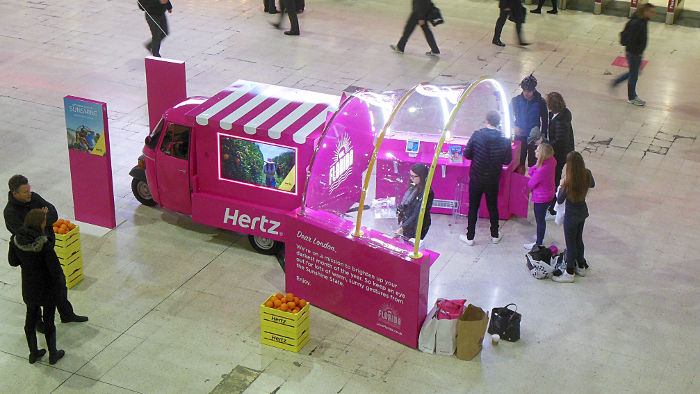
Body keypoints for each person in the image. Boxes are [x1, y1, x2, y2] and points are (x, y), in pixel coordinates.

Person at [4, 175, 88, 328]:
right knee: (36, 291)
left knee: (59, 282)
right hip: (31, 259)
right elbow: (24, 234)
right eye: (25, 192)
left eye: (29, 189)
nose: (29, 193)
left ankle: (66, 314)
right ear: (14, 193)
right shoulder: (10, 212)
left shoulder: (34, 198)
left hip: (47, 251)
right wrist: (42, 220)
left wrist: (39, 222)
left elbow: (53, 214)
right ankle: (38, 322)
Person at [8, 209, 67, 364]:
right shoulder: (45, 246)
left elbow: (13, 262)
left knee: (30, 319)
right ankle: (53, 354)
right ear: (40, 224)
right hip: (47, 289)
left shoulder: (15, 240)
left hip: (29, 287)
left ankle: (33, 353)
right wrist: (60, 289)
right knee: (48, 322)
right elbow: (55, 271)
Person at [459, 111, 512, 246]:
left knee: (473, 208)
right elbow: (507, 161)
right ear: (499, 122)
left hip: (476, 178)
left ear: (486, 120)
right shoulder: (505, 140)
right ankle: (495, 234)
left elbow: (467, 153)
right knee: (493, 207)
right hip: (493, 180)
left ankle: (470, 237)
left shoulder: (477, 135)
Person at [552, 151, 595, 283]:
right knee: (578, 240)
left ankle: (569, 272)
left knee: (570, 244)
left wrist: (561, 186)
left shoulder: (568, 182)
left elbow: (559, 200)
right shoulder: (587, 174)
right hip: (582, 212)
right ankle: (581, 265)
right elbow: (592, 184)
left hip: (570, 216)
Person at [611, 3, 656, 107]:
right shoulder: (637, 23)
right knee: (634, 75)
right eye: (652, 12)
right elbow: (632, 40)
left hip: (636, 53)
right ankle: (632, 97)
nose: (653, 14)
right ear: (645, 11)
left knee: (635, 72)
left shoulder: (642, 20)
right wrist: (637, 52)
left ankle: (616, 82)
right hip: (634, 53)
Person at [544, 92, 574, 217]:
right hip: (558, 153)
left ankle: (553, 207)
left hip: (560, 155)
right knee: (554, 177)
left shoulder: (561, 120)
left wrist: (545, 144)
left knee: (555, 178)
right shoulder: (557, 115)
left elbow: (559, 141)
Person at [511, 74, 548, 175]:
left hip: (534, 138)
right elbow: (508, 115)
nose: (526, 93)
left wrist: (543, 137)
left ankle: (532, 184)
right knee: (518, 163)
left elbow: (545, 120)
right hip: (520, 137)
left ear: (534, 90)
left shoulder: (541, 102)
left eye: (529, 91)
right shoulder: (515, 101)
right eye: (525, 91)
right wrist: (513, 127)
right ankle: (519, 183)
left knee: (533, 164)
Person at [524, 143, 556, 249]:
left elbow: (530, 184)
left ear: (542, 154)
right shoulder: (552, 161)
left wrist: (533, 171)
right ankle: (539, 236)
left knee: (540, 220)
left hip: (541, 198)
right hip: (550, 193)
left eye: (537, 150)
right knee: (541, 219)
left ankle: (538, 242)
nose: (535, 151)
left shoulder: (541, 170)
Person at [396, 163, 435, 243]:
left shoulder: (427, 192)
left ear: (422, 176)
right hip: (408, 222)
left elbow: (417, 213)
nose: (411, 178)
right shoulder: (413, 186)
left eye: (414, 176)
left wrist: (402, 228)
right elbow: (405, 202)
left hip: (418, 225)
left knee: (412, 245)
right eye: (410, 175)